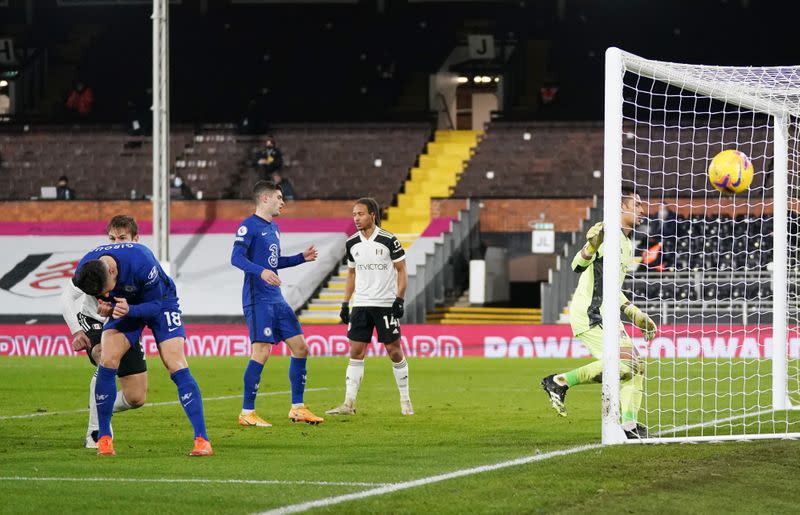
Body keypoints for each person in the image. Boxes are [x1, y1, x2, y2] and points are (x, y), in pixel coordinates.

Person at [72, 238, 213, 457]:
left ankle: (202, 440)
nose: (105, 294)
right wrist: (107, 306)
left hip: (161, 302)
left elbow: (155, 306)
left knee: (174, 362)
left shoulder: (141, 262)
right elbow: (102, 298)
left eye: (107, 289)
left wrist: (129, 310)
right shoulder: (86, 269)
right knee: (108, 359)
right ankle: (104, 438)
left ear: (111, 270)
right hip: (123, 306)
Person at [541, 190, 656, 439]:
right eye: (636, 205)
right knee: (627, 364)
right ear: (620, 208)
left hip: (607, 315)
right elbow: (577, 265)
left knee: (636, 367)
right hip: (591, 313)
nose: (642, 211)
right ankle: (560, 381)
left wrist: (633, 312)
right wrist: (592, 245)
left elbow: (611, 287)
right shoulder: (607, 234)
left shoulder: (625, 243)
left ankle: (629, 426)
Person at [231, 180, 324, 427]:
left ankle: (297, 408)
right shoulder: (248, 226)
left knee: (301, 348)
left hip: (276, 299)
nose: (283, 202)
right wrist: (260, 272)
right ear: (265, 199)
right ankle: (247, 412)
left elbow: (273, 262)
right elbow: (236, 258)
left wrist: (300, 259)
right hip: (257, 299)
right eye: (279, 198)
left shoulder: (275, 229)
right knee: (262, 351)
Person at [61, 215, 148, 449]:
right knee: (104, 355)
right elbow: (67, 296)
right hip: (94, 321)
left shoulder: (141, 264)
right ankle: (96, 432)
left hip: (124, 323)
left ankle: (101, 403)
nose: (115, 242)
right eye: (112, 238)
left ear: (135, 239)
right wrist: (76, 331)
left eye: (122, 238)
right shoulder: (95, 263)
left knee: (136, 397)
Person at [326, 197, 412, 416]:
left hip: (384, 305)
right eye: (354, 214)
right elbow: (352, 273)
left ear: (372, 215)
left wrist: (399, 299)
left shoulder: (388, 240)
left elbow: (402, 270)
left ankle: (405, 400)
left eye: (360, 214)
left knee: (394, 351)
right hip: (361, 304)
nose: (356, 218)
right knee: (356, 351)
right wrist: (345, 303)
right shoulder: (352, 243)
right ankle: (348, 403)